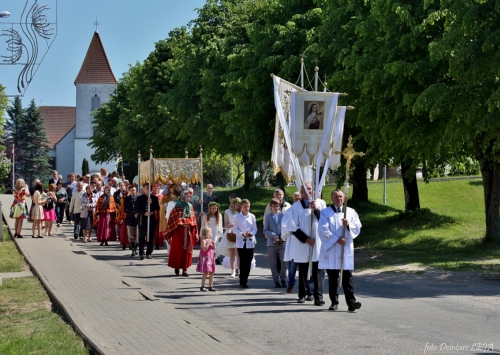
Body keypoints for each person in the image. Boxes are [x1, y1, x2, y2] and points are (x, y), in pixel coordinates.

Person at [283, 182, 326, 305]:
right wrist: (306, 239)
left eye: (310, 188)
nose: (308, 191)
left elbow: (325, 220)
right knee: (303, 269)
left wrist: (316, 209)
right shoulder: (296, 207)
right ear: (301, 192)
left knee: (318, 270)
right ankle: (302, 294)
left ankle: (318, 297)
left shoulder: (321, 203)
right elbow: (292, 226)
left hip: (317, 242)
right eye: (305, 189)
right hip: (302, 243)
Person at [318, 189, 362, 312]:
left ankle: (351, 303)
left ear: (344, 198)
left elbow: (358, 227)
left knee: (347, 276)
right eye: (336, 197)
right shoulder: (325, 212)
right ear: (332, 199)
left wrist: (348, 225)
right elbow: (322, 229)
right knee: (333, 277)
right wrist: (336, 239)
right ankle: (334, 302)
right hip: (332, 248)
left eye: (341, 197)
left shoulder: (351, 212)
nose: (339, 199)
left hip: (345, 248)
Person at [165, 188, 199, 276]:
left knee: (187, 251)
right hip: (179, 232)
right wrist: (181, 223)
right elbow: (173, 220)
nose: (189, 198)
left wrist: (195, 231)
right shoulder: (177, 207)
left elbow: (193, 219)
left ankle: (185, 269)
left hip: (189, 232)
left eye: (190, 197)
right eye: (187, 196)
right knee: (177, 250)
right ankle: (177, 266)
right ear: (183, 196)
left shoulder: (190, 206)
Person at [233, 199, 257, 288]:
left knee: (248, 262)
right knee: (242, 261)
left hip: (250, 242)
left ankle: (245, 278)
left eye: (248, 206)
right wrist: (241, 234)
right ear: (241, 207)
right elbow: (234, 229)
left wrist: (251, 233)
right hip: (241, 242)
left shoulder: (252, 216)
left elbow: (255, 228)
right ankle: (243, 281)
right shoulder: (237, 217)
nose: (247, 208)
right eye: (245, 206)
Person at [264, 198, 287, 288]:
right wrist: (273, 235)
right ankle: (276, 280)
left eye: (277, 206)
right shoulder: (268, 216)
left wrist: (282, 234)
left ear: (279, 206)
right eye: (274, 206)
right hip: (272, 242)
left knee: (284, 261)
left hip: (282, 242)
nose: (275, 208)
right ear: (271, 207)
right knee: (273, 262)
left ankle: (283, 279)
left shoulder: (283, 215)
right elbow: (265, 230)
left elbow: (286, 228)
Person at [134, 183, 160, 260]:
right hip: (143, 218)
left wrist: (152, 202)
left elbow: (157, 208)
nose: (148, 189)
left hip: (151, 218)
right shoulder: (139, 198)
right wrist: (144, 213)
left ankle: (149, 252)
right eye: (146, 188)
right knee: (142, 236)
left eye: (149, 188)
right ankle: (141, 253)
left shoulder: (154, 198)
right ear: (144, 189)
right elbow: (136, 209)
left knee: (151, 236)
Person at [285, 191, 303, 293]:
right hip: (293, 241)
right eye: (296, 199)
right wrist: (291, 230)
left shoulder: (305, 210)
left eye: (299, 199)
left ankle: (304, 286)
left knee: (303, 267)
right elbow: (284, 225)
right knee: (292, 266)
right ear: (293, 200)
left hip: (304, 242)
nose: (298, 200)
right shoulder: (289, 211)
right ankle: (291, 284)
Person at [220, 195, 241, 277]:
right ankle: (233, 271)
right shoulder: (227, 212)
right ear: (233, 204)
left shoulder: (241, 212)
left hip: (239, 234)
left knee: (238, 253)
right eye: (236, 205)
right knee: (232, 252)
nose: (238, 206)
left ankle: (239, 270)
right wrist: (232, 225)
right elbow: (225, 224)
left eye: (239, 205)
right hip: (230, 233)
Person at [197, 226, 217, 292]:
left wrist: (213, 244)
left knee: (211, 273)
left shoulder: (210, 240)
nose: (211, 234)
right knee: (206, 272)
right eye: (210, 233)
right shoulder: (203, 240)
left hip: (211, 258)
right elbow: (204, 248)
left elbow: (214, 248)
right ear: (206, 234)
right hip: (206, 258)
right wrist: (208, 243)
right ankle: (202, 286)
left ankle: (211, 286)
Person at [124, 185, 138, 256]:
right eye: (132, 190)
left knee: (138, 235)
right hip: (130, 219)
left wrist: (137, 214)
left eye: (134, 190)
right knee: (131, 236)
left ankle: (136, 247)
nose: (133, 192)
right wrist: (133, 214)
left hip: (138, 219)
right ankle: (133, 249)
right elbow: (125, 209)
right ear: (129, 191)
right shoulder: (126, 199)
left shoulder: (138, 198)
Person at [115, 186, 130, 250]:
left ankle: (130, 244)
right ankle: (124, 244)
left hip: (131, 217)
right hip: (124, 216)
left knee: (131, 232)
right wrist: (120, 218)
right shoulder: (123, 196)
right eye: (129, 189)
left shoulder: (136, 197)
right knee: (123, 231)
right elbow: (120, 208)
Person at [152, 183, 164, 250]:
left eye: (158, 188)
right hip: (153, 213)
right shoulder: (151, 196)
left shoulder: (161, 196)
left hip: (160, 214)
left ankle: (157, 243)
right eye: (155, 188)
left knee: (158, 229)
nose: (156, 189)